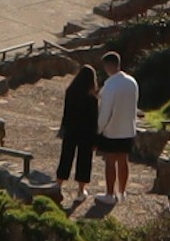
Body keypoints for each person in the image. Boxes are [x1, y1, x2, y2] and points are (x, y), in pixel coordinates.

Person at [94, 55, 144, 200]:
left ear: (108, 66)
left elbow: (105, 111)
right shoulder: (132, 82)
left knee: (110, 161)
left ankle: (110, 194)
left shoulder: (110, 85)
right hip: (128, 128)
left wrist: (98, 130)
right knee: (123, 160)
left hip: (112, 129)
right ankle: (122, 191)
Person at [58, 59, 101, 190]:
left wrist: (63, 128)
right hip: (86, 133)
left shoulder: (70, 92)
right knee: (84, 161)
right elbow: (94, 120)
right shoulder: (92, 98)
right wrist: (95, 139)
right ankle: (81, 190)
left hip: (71, 129)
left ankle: (58, 184)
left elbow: (66, 113)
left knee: (65, 158)